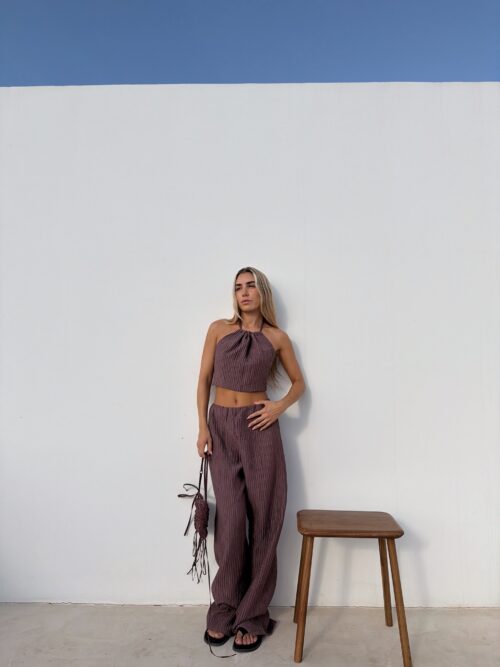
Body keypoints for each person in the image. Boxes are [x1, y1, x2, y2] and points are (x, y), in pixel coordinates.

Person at [196, 266, 306, 653]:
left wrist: (278, 407)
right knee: (230, 520)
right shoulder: (218, 330)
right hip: (221, 427)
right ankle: (225, 606)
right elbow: (204, 379)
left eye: (251, 287)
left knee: (264, 519)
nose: (244, 293)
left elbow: (299, 383)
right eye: (238, 287)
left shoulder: (277, 337)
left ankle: (253, 613)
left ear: (262, 293)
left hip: (260, 429)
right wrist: (203, 427)